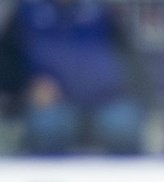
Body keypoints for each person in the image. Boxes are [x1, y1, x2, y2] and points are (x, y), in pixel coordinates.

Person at [0, 0, 145, 156]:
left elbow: (130, 61)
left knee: (123, 123)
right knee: (48, 126)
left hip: (106, 99)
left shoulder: (101, 11)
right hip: (53, 105)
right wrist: (27, 88)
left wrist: (126, 87)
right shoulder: (27, 12)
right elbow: (8, 63)